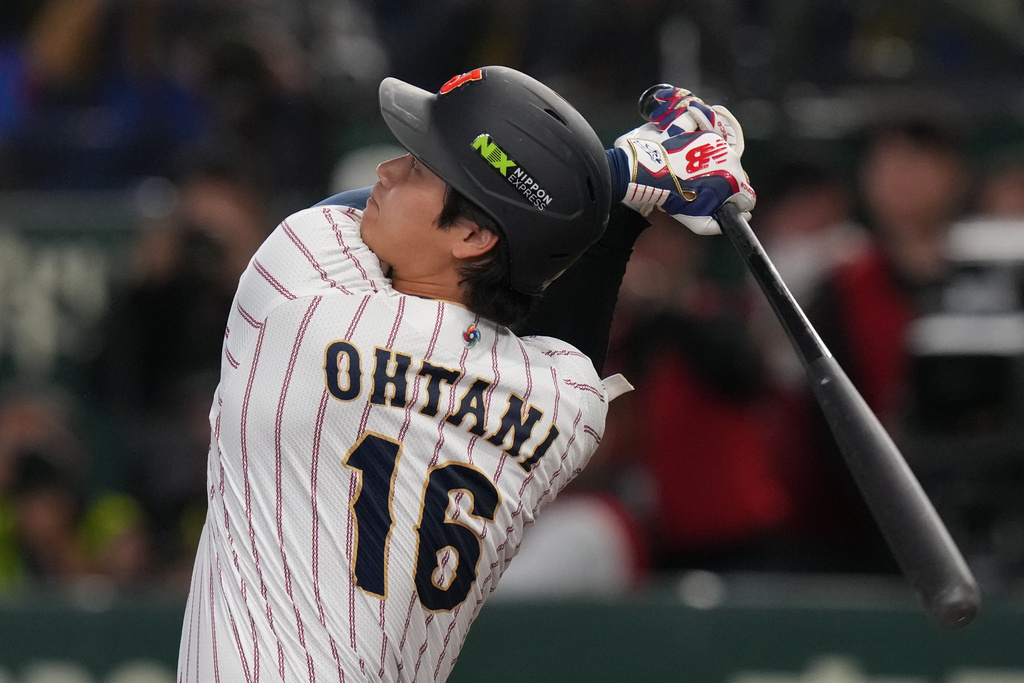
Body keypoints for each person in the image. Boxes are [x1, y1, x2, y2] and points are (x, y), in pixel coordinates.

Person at [176, 66, 754, 680]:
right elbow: (564, 327)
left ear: (475, 234)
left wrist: (625, 173)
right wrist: (623, 199)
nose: (386, 172)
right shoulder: (564, 405)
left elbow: (334, 214)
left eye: (419, 170)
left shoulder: (304, 301)